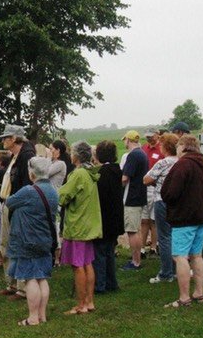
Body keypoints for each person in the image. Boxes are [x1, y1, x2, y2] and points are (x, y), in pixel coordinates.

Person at [160, 135, 203, 308]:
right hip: (201, 215)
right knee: (196, 255)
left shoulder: (182, 165)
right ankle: (199, 292)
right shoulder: (202, 164)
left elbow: (171, 192)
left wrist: (167, 196)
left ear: (182, 146)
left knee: (180, 256)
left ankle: (184, 297)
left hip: (185, 217)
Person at [5, 157, 59, 326]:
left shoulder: (29, 191)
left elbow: (9, 201)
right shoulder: (52, 191)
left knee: (30, 279)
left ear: (32, 173)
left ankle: (33, 318)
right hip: (45, 240)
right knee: (42, 278)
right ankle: (42, 315)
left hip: (28, 240)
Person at [58, 141, 103, 315]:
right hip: (89, 224)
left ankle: (81, 304)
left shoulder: (78, 174)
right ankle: (89, 301)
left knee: (78, 266)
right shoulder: (90, 173)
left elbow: (63, 196)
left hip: (78, 224)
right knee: (87, 263)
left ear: (76, 156)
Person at [0, 124, 36, 299]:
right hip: (9, 204)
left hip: (17, 207)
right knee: (7, 245)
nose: (3, 141)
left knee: (19, 246)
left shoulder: (27, 156)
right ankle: (11, 283)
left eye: (5, 137)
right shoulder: (16, 156)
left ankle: (22, 287)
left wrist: (16, 204)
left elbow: (27, 187)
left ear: (14, 139)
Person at [143, 133, 179, 284]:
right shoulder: (181, 162)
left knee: (164, 237)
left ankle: (166, 272)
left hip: (162, 200)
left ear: (165, 147)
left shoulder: (163, 163)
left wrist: (156, 183)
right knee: (176, 236)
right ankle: (177, 268)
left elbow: (146, 179)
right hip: (177, 201)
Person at [93, 140, 124, 294]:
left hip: (103, 218)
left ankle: (100, 284)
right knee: (109, 252)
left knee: (99, 252)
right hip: (115, 217)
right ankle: (112, 282)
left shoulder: (101, 174)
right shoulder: (117, 170)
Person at [121, 130, 149, 270]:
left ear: (129, 140)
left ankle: (135, 261)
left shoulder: (133, 155)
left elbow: (125, 177)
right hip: (140, 195)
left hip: (131, 197)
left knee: (132, 231)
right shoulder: (142, 153)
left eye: (125, 140)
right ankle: (136, 258)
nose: (124, 143)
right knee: (136, 229)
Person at [139, 128, 163, 258]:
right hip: (145, 185)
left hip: (156, 186)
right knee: (144, 219)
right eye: (147, 137)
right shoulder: (144, 148)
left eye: (151, 136)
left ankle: (154, 247)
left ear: (157, 135)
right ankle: (142, 248)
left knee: (154, 220)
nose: (149, 139)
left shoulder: (161, 149)